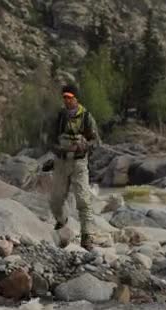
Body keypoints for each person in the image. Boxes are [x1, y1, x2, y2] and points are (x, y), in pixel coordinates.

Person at [47, 84, 100, 250]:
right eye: (64, 97)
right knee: (55, 200)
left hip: (79, 164)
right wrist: (57, 150)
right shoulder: (59, 117)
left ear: (76, 98)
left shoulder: (86, 117)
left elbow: (95, 141)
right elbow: (50, 140)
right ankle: (62, 221)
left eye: (69, 97)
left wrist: (83, 146)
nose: (67, 100)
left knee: (83, 201)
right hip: (61, 162)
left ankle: (87, 237)